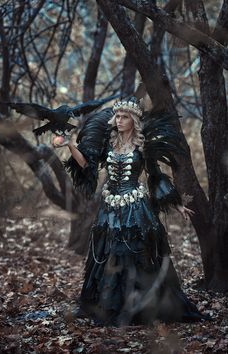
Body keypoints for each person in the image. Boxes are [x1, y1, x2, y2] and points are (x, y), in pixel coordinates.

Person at [52, 97, 208, 327]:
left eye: (124, 117)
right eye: (117, 116)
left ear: (134, 120)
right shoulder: (109, 143)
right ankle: (108, 306)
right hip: (110, 207)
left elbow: (156, 178)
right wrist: (70, 145)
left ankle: (142, 307)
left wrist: (176, 204)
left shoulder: (143, 146)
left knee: (135, 253)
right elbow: (86, 165)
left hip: (135, 207)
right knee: (108, 254)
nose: (119, 120)